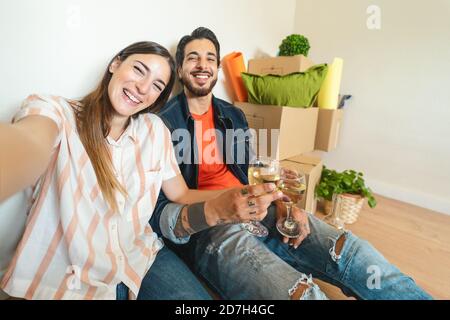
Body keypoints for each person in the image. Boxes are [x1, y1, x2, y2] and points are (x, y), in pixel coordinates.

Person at [149, 27, 433, 300]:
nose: (202, 65)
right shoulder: (163, 123)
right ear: (180, 68)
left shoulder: (232, 115)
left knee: (351, 252)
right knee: (298, 293)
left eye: (210, 58)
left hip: (261, 207)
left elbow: (253, 171)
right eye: (193, 58)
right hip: (211, 226)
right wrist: (225, 203)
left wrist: (286, 204)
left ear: (217, 68)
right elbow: (164, 209)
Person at [0, 41, 282, 300]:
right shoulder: (58, 112)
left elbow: (180, 193)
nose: (143, 88)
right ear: (115, 64)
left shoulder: (154, 130)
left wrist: (239, 195)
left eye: (157, 85)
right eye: (138, 70)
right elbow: (29, 144)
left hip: (142, 258)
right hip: (70, 279)